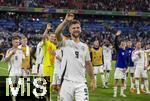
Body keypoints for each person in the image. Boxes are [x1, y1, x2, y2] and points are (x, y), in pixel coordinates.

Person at [55, 13, 96, 101]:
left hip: (81, 83)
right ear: (70, 30)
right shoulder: (65, 43)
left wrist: (93, 79)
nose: (76, 29)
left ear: (80, 29)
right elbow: (57, 33)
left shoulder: (84, 46)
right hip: (67, 82)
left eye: (78, 27)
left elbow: (88, 64)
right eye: (73, 28)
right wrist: (65, 21)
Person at [4, 36, 25, 101]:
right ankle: (13, 96)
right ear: (12, 42)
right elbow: (5, 61)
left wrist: (25, 68)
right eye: (16, 42)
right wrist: (11, 54)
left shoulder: (20, 50)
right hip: (12, 70)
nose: (17, 43)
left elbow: (24, 60)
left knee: (17, 85)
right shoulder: (9, 50)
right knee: (13, 85)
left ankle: (14, 94)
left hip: (19, 70)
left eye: (18, 42)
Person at [113, 31, 128, 97]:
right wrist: (116, 36)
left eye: (124, 44)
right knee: (116, 80)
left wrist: (126, 68)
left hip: (124, 69)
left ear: (125, 45)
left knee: (123, 81)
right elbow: (115, 44)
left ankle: (122, 93)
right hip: (118, 67)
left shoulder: (127, 52)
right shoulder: (119, 50)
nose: (123, 45)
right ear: (120, 45)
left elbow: (127, 61)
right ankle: (115, 93)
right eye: (122, 44)